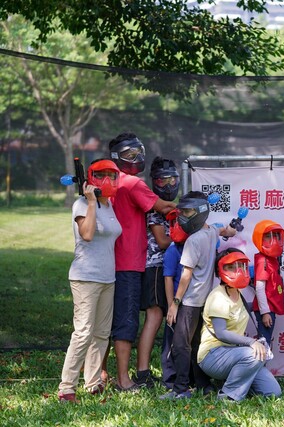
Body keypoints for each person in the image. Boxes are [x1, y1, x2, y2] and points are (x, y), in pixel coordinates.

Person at [106, 133, 175, 392]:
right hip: (129, 263)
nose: (137, 159)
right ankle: (124, 380)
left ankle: (102, 375)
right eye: (130, 155)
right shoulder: (132, 183)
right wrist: (194, 210)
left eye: (138, 152)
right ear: (117, 157)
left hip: (113, 260)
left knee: (108, 321)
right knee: (126, 323)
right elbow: (165, 208)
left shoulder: (112, 182)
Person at [58, 159, 122, 403]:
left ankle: (93, 383)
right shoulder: (81, 204)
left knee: (101, 333)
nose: (107, 180)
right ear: (91, 179)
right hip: (85, 277)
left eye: (111, 175)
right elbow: (86, 234)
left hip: (108, 277)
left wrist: (99, 202)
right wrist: (92, 201)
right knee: (83, 332)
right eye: (101, 175)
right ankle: (66, 388)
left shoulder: (110, 205)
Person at [160, 191, 235, 399]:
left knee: (180, 345)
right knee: (196, 345)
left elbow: (185, 276)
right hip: (206, 300)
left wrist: (174, 303)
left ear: (201, 211)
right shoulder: (210, 232)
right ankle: (204, 385)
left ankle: (181, 389)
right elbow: (225, 230)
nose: (183, 216)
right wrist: (231, 229)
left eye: (188, 211)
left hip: (190, 301)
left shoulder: (193, 240)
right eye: (182, 211)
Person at [198, 249, 282, 402]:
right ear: (220, 270)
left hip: (234, 354)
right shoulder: (218, 296)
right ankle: (228, 395)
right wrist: (251, 342)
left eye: (241, 266)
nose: (238, 271)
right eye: (231, 267)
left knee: (272, 392)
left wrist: (266, 310)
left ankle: (238, 383)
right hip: (212, 355)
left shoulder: (237, 293)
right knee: (254, 354)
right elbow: (221, 333)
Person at [135, 157, 180, 388]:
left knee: (167, 317)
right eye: (164, 180)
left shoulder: (172, 208)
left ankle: (171, 369)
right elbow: (162, 241)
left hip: (169, 269)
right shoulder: (155, 208)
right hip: (154, 267)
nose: (169, 184)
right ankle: (142, 373)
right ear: (155, 182)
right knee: (154, 317)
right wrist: (184, 231)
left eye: (173, 179)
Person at [160, 208, 188, 390]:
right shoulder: (172, 251)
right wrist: (172, 305)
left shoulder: (194, 244)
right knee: (172, 342)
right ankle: (170, 378)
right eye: (173, 223)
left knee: (185, 342)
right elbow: (168, 278)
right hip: (177, 303)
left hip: (192, 302)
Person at [251, 220, 284, 347]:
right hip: (266, 310)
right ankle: (260, 367)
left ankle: (262, 366)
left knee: (266, 343)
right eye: (268, 237)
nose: (273, 240)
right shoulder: (263, 260)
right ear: (260, 239)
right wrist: (265, 312)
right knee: (264, 344)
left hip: (270, 308)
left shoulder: (272, 259)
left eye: (275, 236)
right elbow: (259, 288)